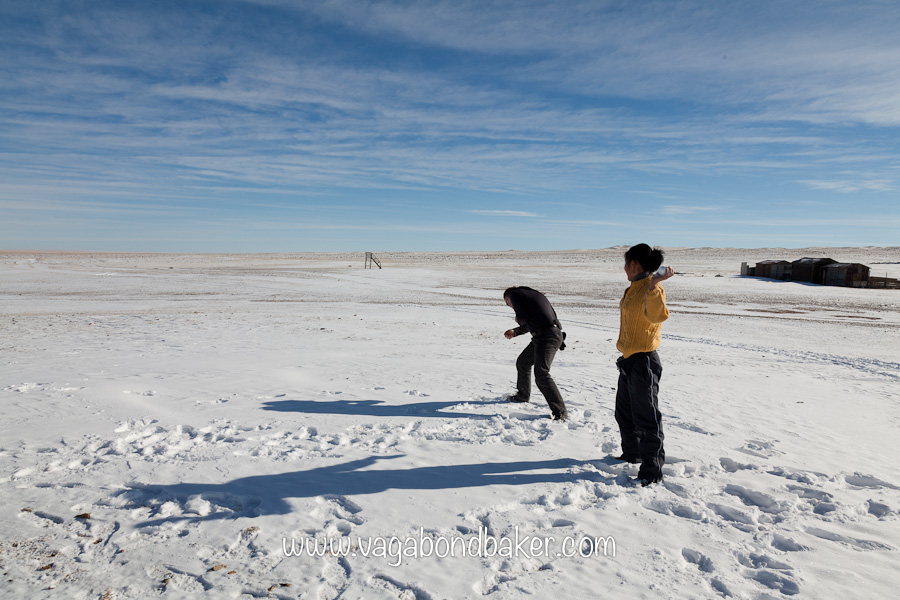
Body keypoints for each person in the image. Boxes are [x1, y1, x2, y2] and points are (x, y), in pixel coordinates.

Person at [613, 244, 673, 486]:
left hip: (644, 362)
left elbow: (659, 316)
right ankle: (632, 454)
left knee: (647, 418)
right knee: (624, 414)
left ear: (633, 264)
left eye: (626, 263)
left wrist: (654, 286)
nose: (624, 268)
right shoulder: (633, 288)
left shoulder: (651, 288)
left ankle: (652, 470)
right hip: (628, 360)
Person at [502, 286, 568, 421]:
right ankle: (523, 396)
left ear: (508, 298)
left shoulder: (514, 294)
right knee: (523, 362)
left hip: (547, 336)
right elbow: (533, 321)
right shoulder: (530, 294)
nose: (510, 306)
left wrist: (518, 319)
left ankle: (560, 413)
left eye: (507, 304)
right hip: (546, 335)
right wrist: (515, 332)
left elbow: (523, 319)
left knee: (542, 374)